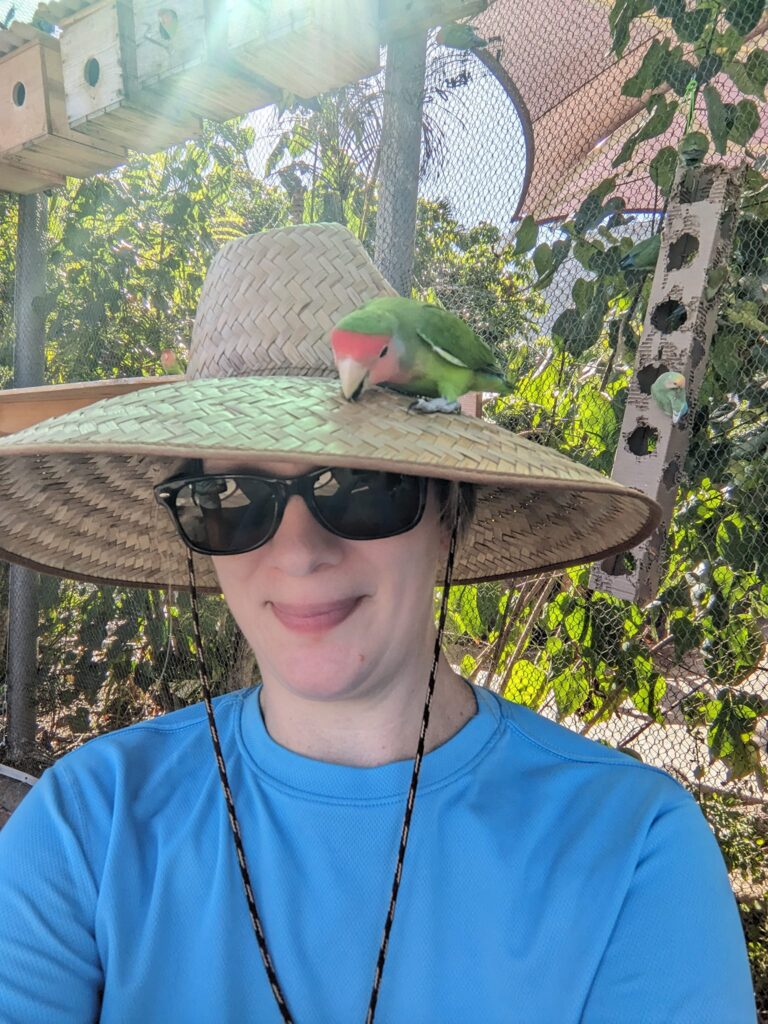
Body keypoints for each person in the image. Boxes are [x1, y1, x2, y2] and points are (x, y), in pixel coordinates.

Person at [0, 223, 756, 1023]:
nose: (299, 553)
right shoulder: (87, 825)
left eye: (360, 488)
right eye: (230, 502)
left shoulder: (632, 852)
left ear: (448, 513)